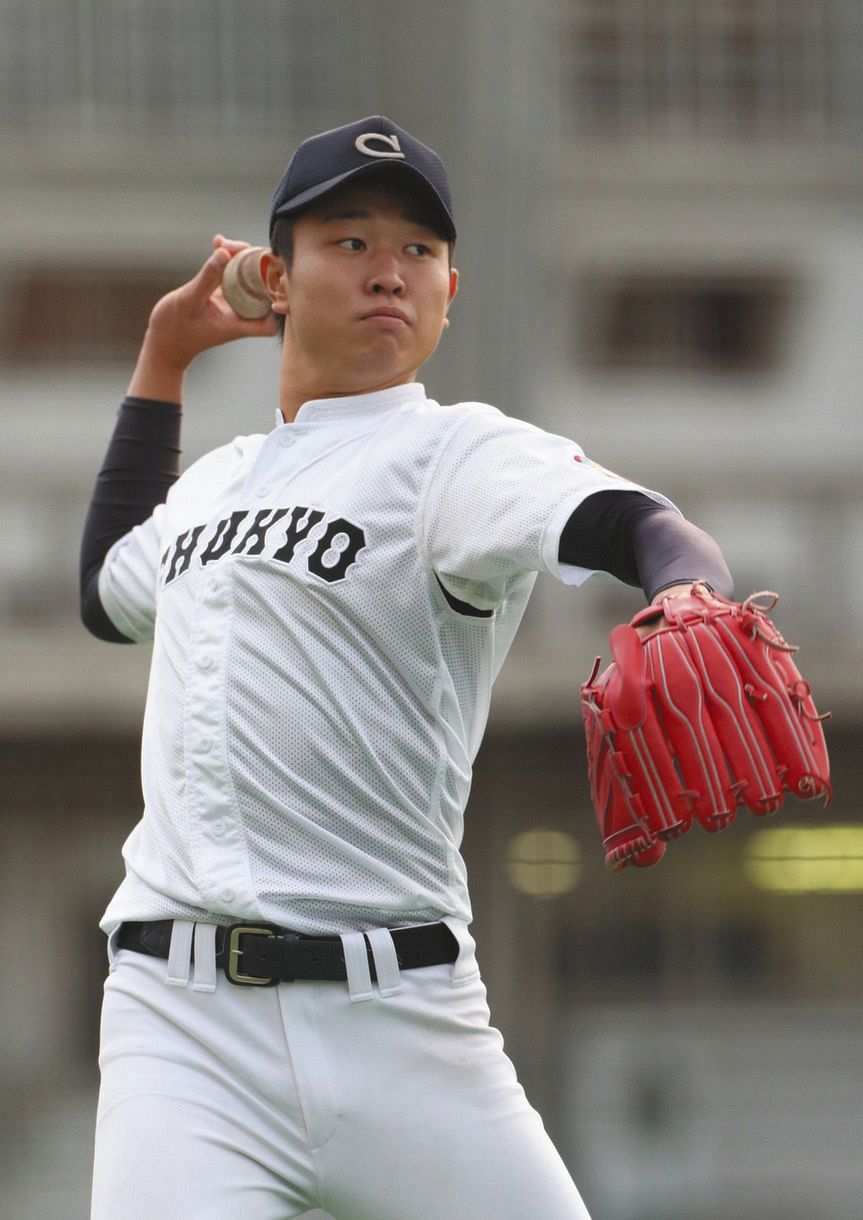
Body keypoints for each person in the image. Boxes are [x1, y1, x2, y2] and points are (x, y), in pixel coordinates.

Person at [81, 116, 732, 1220]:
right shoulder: (211, 486)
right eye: (349, 239)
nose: (389, 269)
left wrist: (684, 587)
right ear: (274, 279)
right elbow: (105, 591)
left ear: (449, 288)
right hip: (179, 1027)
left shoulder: (454, 454)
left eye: (418, 249)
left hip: (407, 1024)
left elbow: (635, 520)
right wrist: (164, 356)